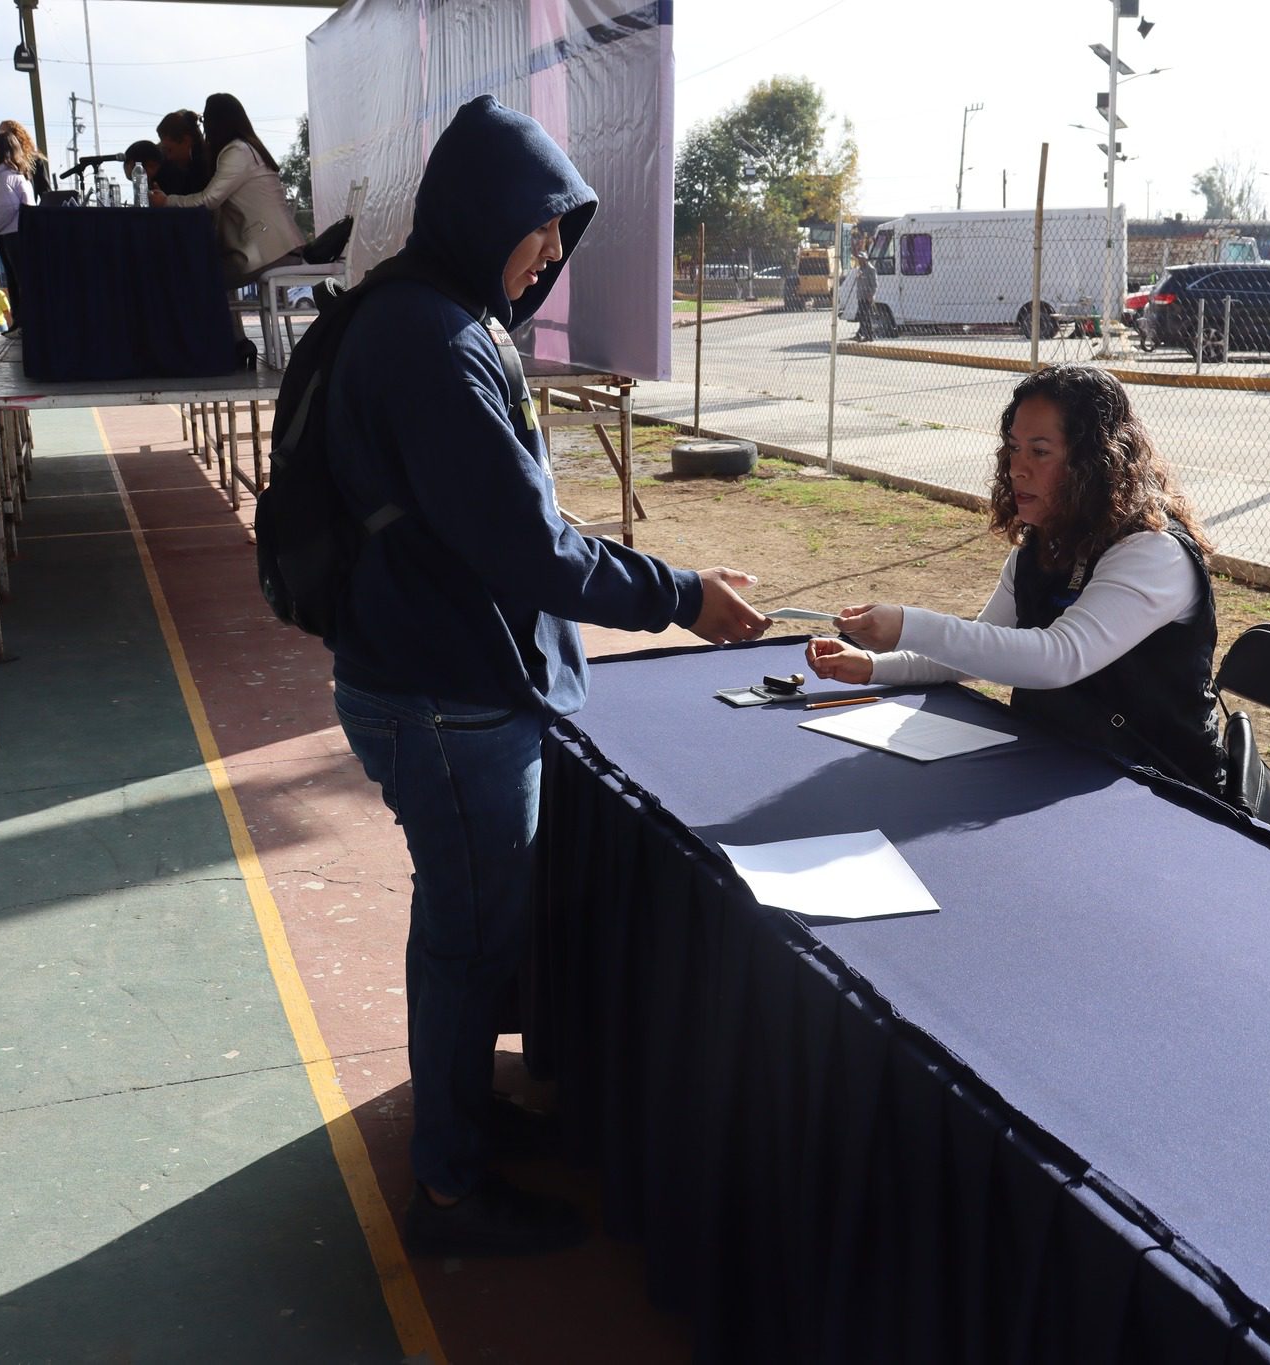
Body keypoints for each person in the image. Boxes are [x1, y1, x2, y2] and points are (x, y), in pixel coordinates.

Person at [323, 93, 769, 1259]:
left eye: (564, 237)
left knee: (465, 934)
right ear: (483, 215)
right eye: (542, 231)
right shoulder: (431, 343)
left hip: (427, 674)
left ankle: (463, 1127)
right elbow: (529, 550)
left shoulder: (431, 314)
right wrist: (680, 596)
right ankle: (453, 1191)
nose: (551, 258)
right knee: (466, 945)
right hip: (443, 699)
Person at [806, 363, 1229, 796]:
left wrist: (908, 626)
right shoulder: (1044, 546)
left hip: (1162, 791)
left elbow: (1058, 659)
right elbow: (976, 646)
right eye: (1014, 448)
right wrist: (873, 666)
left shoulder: (1153, 552)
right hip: (1057, 766)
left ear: (1095, 463)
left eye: (1040, 451)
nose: (1017, 469)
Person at [152, 94, 306, 288]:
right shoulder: (247, 148)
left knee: (190, 274)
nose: (203, 127)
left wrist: (167, 201)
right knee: (193, 271)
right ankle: (218, 319)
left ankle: (209, 320)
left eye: (204, 120)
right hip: (279, 249)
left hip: (270, 253)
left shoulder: (237, 152)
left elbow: (209, 200)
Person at [0, 131, 36, 334]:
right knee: (20, 279)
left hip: (13, 235)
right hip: (21, 233)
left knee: (19, 279)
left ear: (1, 151)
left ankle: (24, 322)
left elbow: (3, 211)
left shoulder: (5, 179)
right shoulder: (16, 175)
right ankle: (22, 322)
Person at [0, 119, 51, 232]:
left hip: (23, 223)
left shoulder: (34, 160)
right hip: (1, 223)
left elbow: (45, 193)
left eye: (3, 135)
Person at [152, 110, 210, 197]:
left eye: (170, 150)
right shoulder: (173, 167)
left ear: (186, 141)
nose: (169, 157)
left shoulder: (206, 166)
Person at [851, 250, 877, 340]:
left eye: (861, 259)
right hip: (861, 296)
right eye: (859, 259)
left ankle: (869, 335)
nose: (859, 261)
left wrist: (871, 295)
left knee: (866, 316)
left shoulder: (871, 269)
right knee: (862, 316)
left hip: (867, 297)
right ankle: (861, 333)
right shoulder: (860, 269)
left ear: (865, 259)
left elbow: (874, 284)